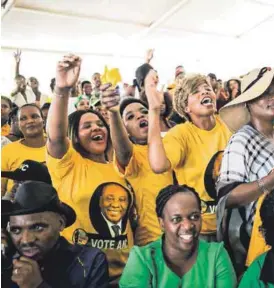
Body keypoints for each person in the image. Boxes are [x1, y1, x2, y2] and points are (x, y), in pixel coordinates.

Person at [46, 54, 135, 285]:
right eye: (87, 126)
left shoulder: (117, 166)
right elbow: (55, 136)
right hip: (81, 275)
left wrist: (114, 112)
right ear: (73, 135)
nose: (97, 128)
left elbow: (125, 152)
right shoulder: (67, 165)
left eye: (99, 124)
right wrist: (62, 90)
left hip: (126, 274)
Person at [216, 62, 274, 274]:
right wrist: (271, 181)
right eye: (264, 94)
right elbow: (227, 197)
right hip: (257, 244)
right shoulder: (241, 141)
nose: (273, 98)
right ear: (248, 104)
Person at [146, 73, 232, 241]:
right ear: (186, 107)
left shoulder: (229, 123)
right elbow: (158, 165)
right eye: (196, 91)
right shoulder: (181, 134)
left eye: (207, 89)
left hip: (234, 223)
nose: (205, 93)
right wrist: (154, 111)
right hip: (201, 231)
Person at [119, 185, 237, 288]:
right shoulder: (143, 259)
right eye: (176, 219)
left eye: (194, 217)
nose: (187, 226)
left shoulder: (216, 255)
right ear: (162, 223)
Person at [1, 181, 109, 288]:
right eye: (16, 230)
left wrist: (38, 285)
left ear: (61, 223)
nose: (26, 240)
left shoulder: (89, 262)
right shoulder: (7, 262)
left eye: (37, 227)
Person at [100, 94, 173, 246]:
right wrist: (113, 113)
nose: (139, 116)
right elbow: (123, 150)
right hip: (155, 241)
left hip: (187, 233)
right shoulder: (132, 154)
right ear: (124, 130)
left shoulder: (173, 142)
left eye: (144, 111)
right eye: (130, 117)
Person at [1, 104, 47, 196]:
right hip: (17, 206)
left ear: (43, 121)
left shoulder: (58, 146)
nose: (29, 121)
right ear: (18, 124)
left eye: (34, 116)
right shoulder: (8, 150)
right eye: (23, 118)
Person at [135, 61, 175, 135]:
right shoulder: (144, 129)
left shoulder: (174, 126)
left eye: (156, 77)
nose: (155, 80)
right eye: (152, 78)